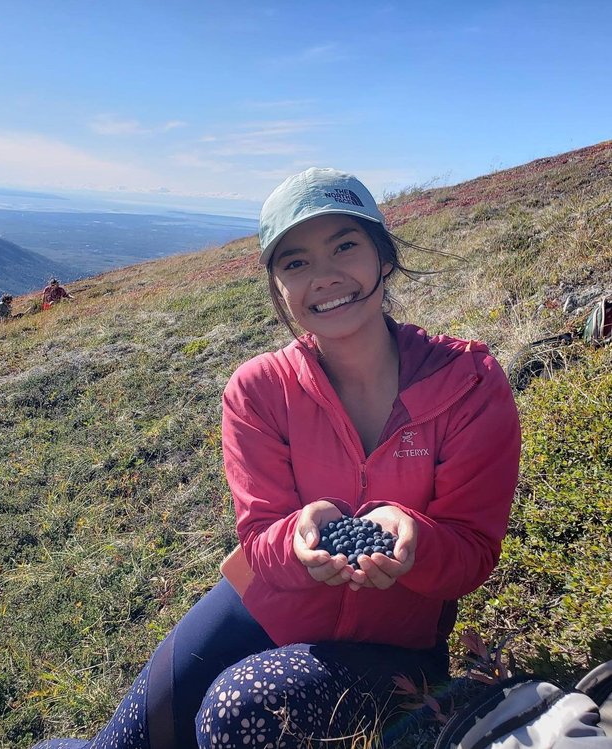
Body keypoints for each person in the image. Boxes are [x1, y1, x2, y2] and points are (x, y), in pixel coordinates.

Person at [32, 168, 521, 749]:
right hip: (256, 605)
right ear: (278, 285)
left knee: (237, 711)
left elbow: (470, 555)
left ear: (383, 257)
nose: (326, 277)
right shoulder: (258, 389)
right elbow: (260, 540)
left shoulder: (467, 385)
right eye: (296, 263)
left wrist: (413, 538)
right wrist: (296, 538)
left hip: (393, 643)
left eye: (345, 246)